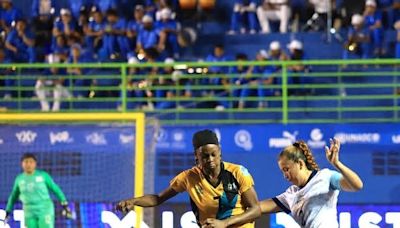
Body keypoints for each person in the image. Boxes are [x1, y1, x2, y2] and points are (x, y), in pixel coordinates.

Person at [117, 129, 261, 228]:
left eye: (213, 154)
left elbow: (255, 209)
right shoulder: (188, 177)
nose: (210, 159)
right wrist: (133, 201)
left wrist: (225, 223)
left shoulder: (238, 173)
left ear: (220, 153)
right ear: (196, 156)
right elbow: (157, 198)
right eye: (204, 156)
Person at [259, 138, 363, 227]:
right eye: (282, 171)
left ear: (300, 164)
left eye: (286, 169)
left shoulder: (325, 177)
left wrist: (337, 164)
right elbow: (258, 208)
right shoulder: (290, 194)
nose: (285, 175)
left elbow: (357, 185)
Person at [5, 153, 72, 228]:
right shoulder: (19, 179)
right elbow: (13, 196)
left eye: (31, 162)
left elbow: (56, 189)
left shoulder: (43, 176)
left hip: (44, 210)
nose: (28, 164)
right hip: (29, 212)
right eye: (26, 162)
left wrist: (65, 204)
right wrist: (8, 211)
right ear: (22, 164)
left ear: (35, 164)